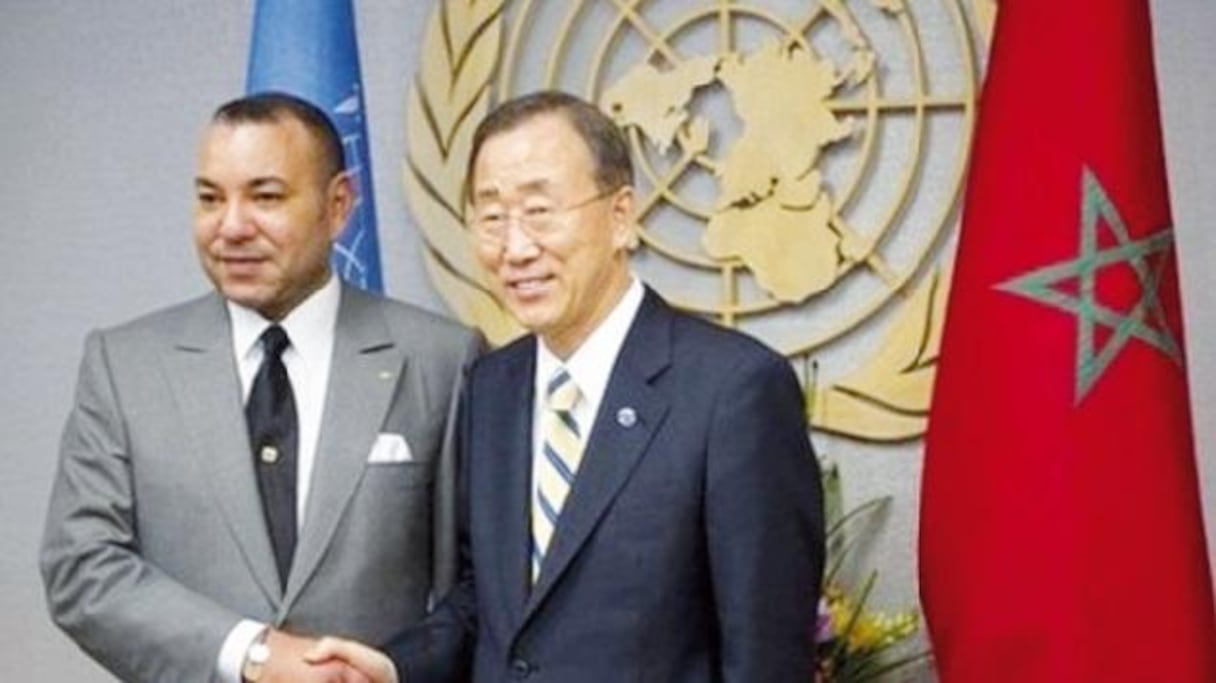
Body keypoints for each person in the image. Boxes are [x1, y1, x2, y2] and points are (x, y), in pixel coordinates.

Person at [315, 90, 825, 682]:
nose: (515, 247)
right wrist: (394, 667)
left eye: (539, 211)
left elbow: (765, 655)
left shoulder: (734, 390)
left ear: (621, 217)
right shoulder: (490, 387)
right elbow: (492, 603)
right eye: (491, 217)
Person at [40, 92, 481, 683]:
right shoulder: (124, 365)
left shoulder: (442, 359)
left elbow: (481, 584)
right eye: (209, 199)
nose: (231, 227)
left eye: (266, 197)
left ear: (339, 205)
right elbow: (81, 566)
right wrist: (254, 653)